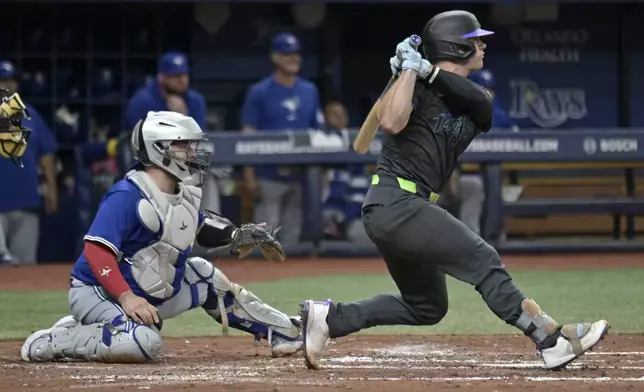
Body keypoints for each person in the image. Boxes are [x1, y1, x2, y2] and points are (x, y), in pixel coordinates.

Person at [299, 10, 608, 372]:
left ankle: (329, 319)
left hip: (405, 207)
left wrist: (425, 70)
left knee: (426, 306)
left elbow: (481, 104)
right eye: (474, 39)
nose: (482, 45)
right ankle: (550, 339)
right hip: (395, 201)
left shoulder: (475, 96)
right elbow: (391, 121)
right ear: (454, 46)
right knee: (482, 259)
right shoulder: (413, 84)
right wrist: (408, 72)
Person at [21, 111, 303, 363]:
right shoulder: (127, 195)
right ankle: (53, 342)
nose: (193, 152)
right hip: (99, 292)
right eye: (183, 145)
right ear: (159, 149)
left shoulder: (184, 190)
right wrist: (127, 298)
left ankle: (283, 331)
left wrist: (236, 234)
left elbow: (196, 226)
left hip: (150, 293)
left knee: (204, 274)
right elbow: (96, 252)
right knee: (143, 343)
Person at [241, 32, 325, 248]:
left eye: (296, 54)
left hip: (300, 174)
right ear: (275, 57)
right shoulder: (259, 91)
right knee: (264, 238)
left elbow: (319, 133)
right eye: (287, 54)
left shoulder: (310, 90)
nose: (293, 58)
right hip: (268, 175)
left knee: (292, 239)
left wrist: (322, 173)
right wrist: (249, 174)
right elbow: (247, 135)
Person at [126, 52, 221, 214]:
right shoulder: (142, 101)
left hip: (189, 166)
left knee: (205, 173)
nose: (182, 80)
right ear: (161, 77)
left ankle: (208, 226)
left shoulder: (195, 100)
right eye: (175, 75)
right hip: (153, 167)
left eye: (184, 75)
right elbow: (138, 142)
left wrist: (184, 116)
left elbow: (198, 141)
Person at [0, 60, 59, 266]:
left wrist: (51, 188)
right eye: (1, 80)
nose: (6, 86)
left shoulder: (30, 114)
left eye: (10, 80)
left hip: (27, 201)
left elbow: (47, 153)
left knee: (25, 268)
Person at [321, 100, 372, 246]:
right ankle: (331, 224)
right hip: (327, 187)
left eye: (343, 114)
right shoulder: (320, 136)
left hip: (351, 187)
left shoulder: (353, 135)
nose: (340, 118)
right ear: (325, 117)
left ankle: (345, 224)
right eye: (335, 115)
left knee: (361, 180)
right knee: (338, 176)